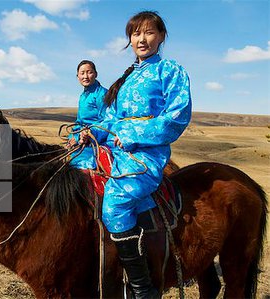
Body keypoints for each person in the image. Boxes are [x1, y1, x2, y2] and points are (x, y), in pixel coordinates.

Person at [81, 11, 191, 298]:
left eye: (149, 32)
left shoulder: (170, 71)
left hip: (147, 155)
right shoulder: (126, 78)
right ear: (130, 39)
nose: (142, 39)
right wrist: (93, 133)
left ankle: (143, 289)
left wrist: (130, 135)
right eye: (136, 33)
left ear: (161, 36)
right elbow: (110, 119)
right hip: (115, 150)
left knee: (115, 202)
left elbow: (176, 118)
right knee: (75, 175)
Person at [68, 60, 108, 169]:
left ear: (95, 74)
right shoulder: (82, 96)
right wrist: (73, 137)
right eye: (82, 73)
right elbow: (79, 122)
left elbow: (107, 121)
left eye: (89, 72)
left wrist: (89, 134)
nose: (85, 76)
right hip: (81, 140)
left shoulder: (102, 94)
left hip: (94, 142)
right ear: (78, 77)